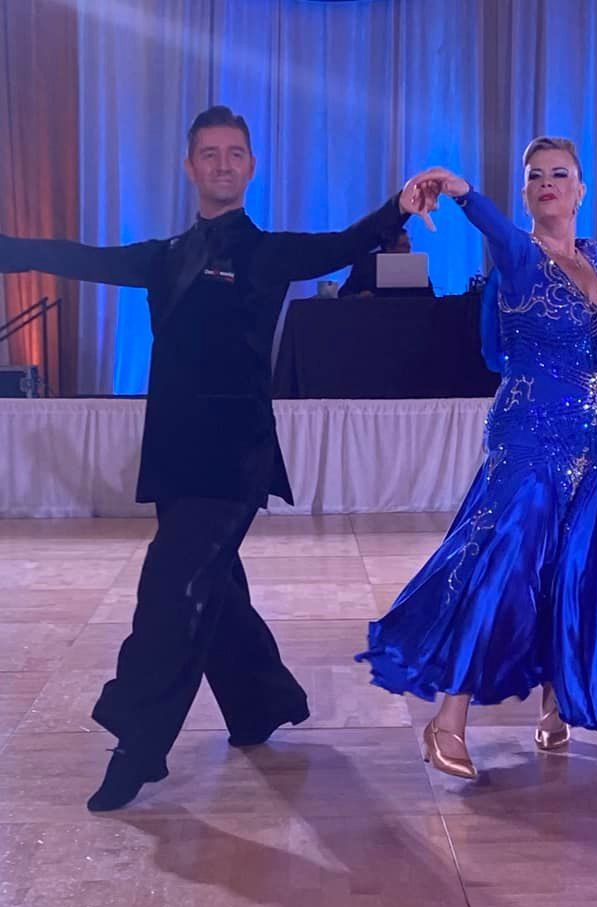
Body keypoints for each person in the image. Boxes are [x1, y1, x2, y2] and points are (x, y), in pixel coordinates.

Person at [0, 105, 428, 811]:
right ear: (190, 166)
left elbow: (348, 240)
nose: (223, 164)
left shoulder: (269, 253)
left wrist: (399, 206)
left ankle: (138, 741)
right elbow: (77, 256)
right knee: (214, 589)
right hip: (173, 456)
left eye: (235, 154)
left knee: (171, 591)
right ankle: (261, 703)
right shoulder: (164, 256)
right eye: (210, 154)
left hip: (234, 459)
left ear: (251, 167)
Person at [357, 138, 597, 779]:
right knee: (501, 570)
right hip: (531, 440)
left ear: (581, 190)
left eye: (559, 174)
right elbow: (492, 228)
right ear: (524, 194)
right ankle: (447, 721)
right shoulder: (520, 257)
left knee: (576, 573)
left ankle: (555, 707)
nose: (547, 183)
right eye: (535, 176)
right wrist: (462, 193)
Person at [338, 226, 435, 298]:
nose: (409, 249)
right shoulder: (366, 265)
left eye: (409, 245)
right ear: (389, 247)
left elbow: (430, 297)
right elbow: (344, 294)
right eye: (404, 245)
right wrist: (359, 296)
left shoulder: (415, 266)